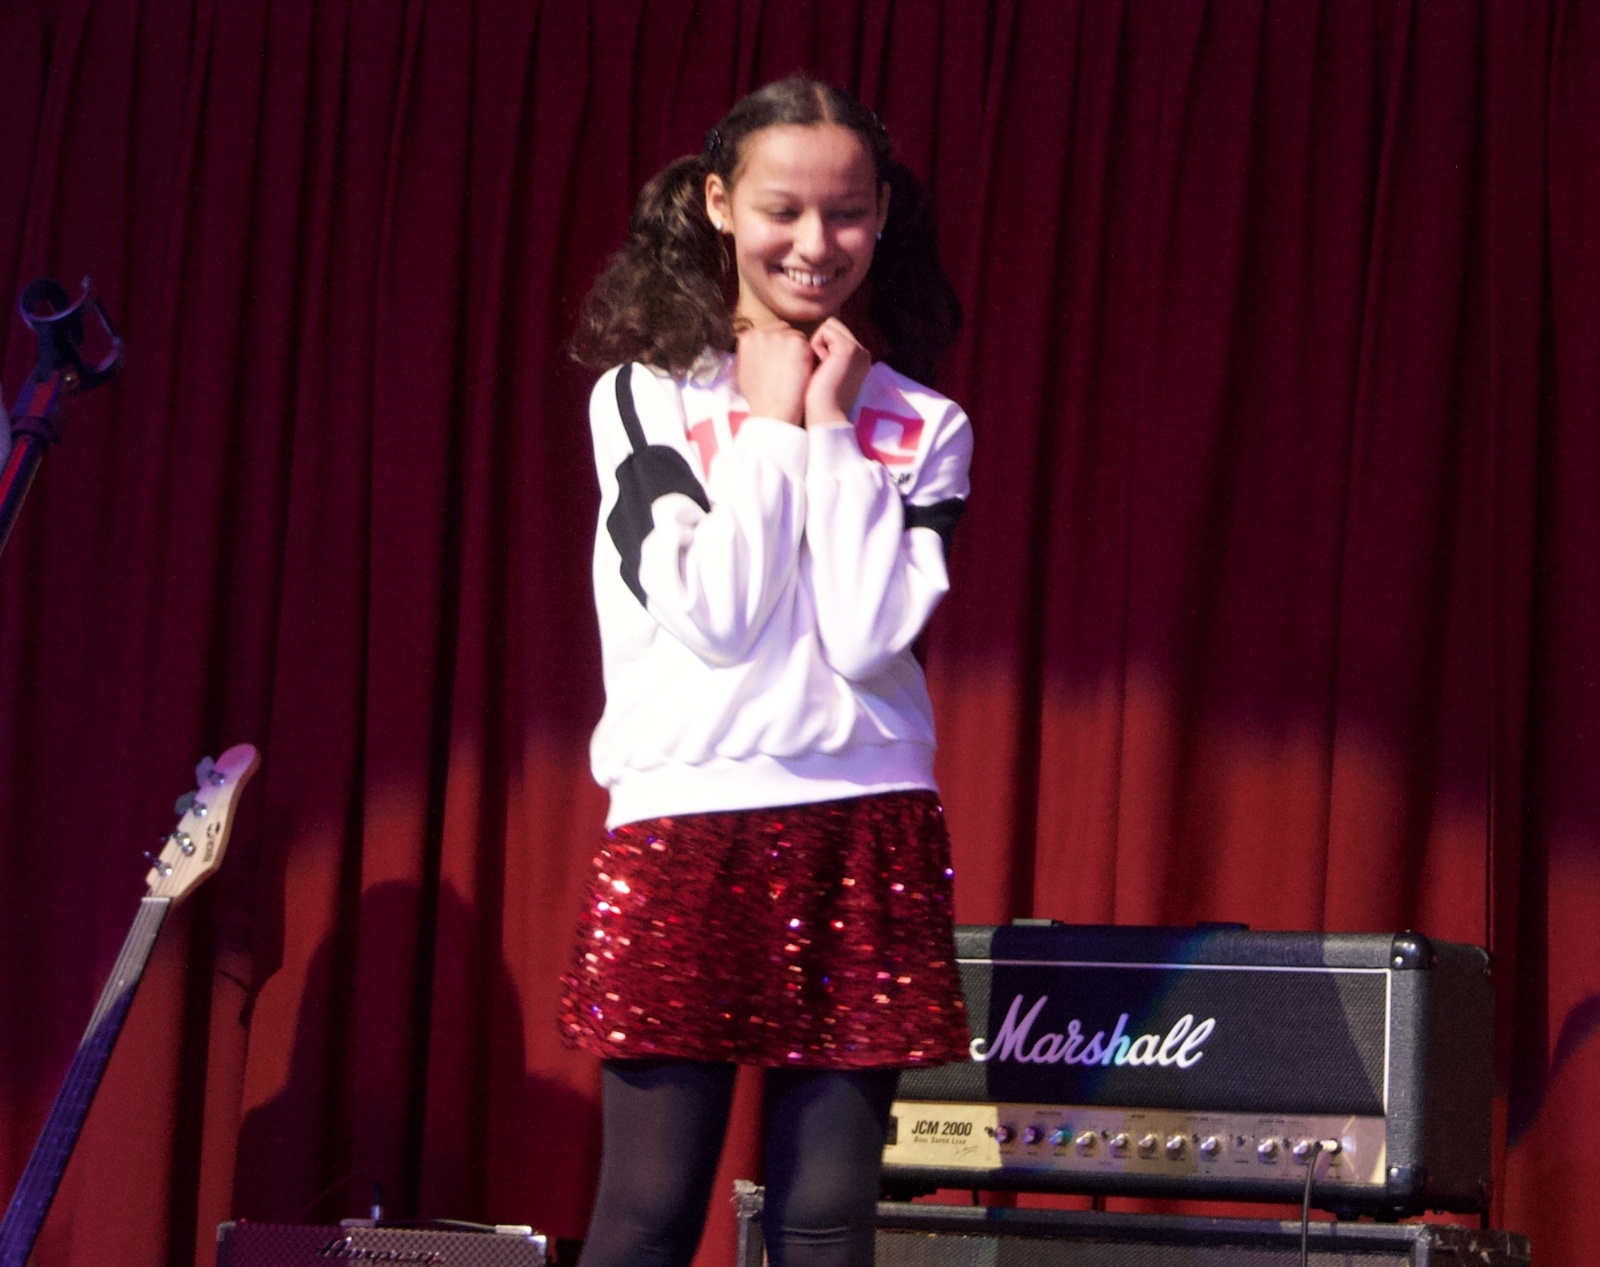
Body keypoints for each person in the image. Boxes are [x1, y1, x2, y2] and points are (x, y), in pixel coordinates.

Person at [559, 75, 972, 1267]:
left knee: (826, 1214)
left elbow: (867, 631)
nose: (813, 242)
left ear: (881, 215)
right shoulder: (645, 397)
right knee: (648, 1210)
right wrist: (774, 426)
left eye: (844, 212)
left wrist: (830, 426)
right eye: (781, 209)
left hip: (865, 821)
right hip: (685, 821)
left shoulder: (921, 424)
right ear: (717, 205)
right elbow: (718, 614)